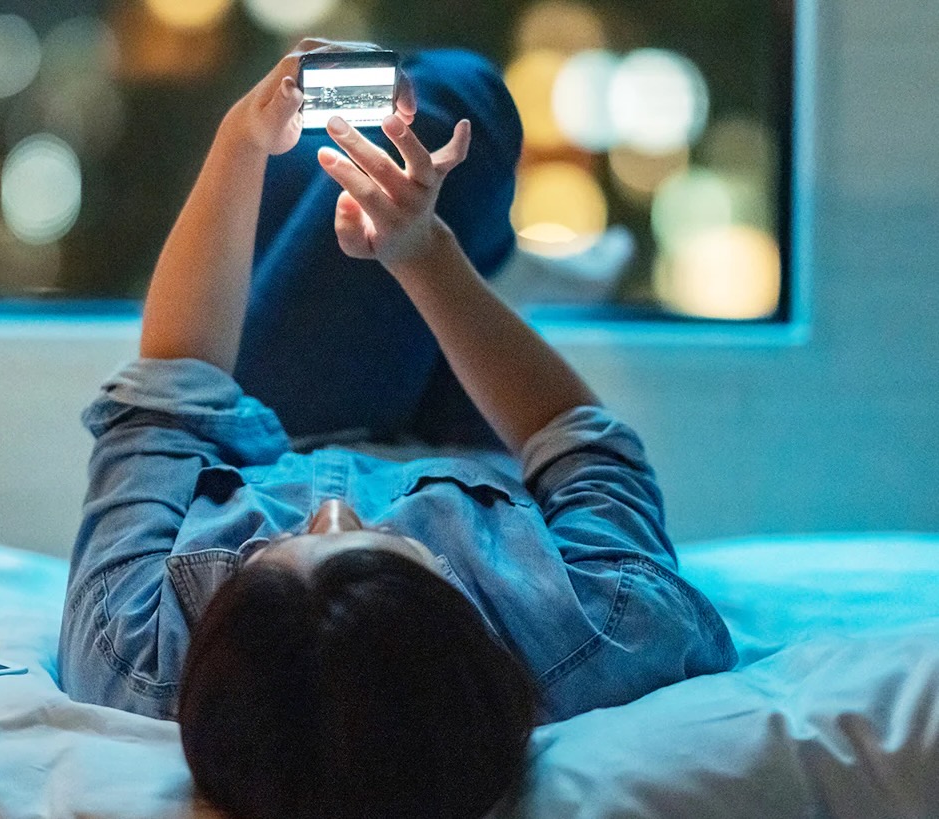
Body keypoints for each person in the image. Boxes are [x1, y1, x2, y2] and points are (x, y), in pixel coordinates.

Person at [58, 39, 737, 819]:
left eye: (281, 546)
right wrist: (427, 257)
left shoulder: (136, 658)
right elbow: (576, 437)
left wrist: (238, 140)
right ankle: (489, 263)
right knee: (456, 97)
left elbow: (175, 391)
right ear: (457, 620)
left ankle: (498, 256)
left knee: (332, 152)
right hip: (476, 442)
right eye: (379, 541)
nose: (340, 507)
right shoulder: (603, 637)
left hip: (285, 422)